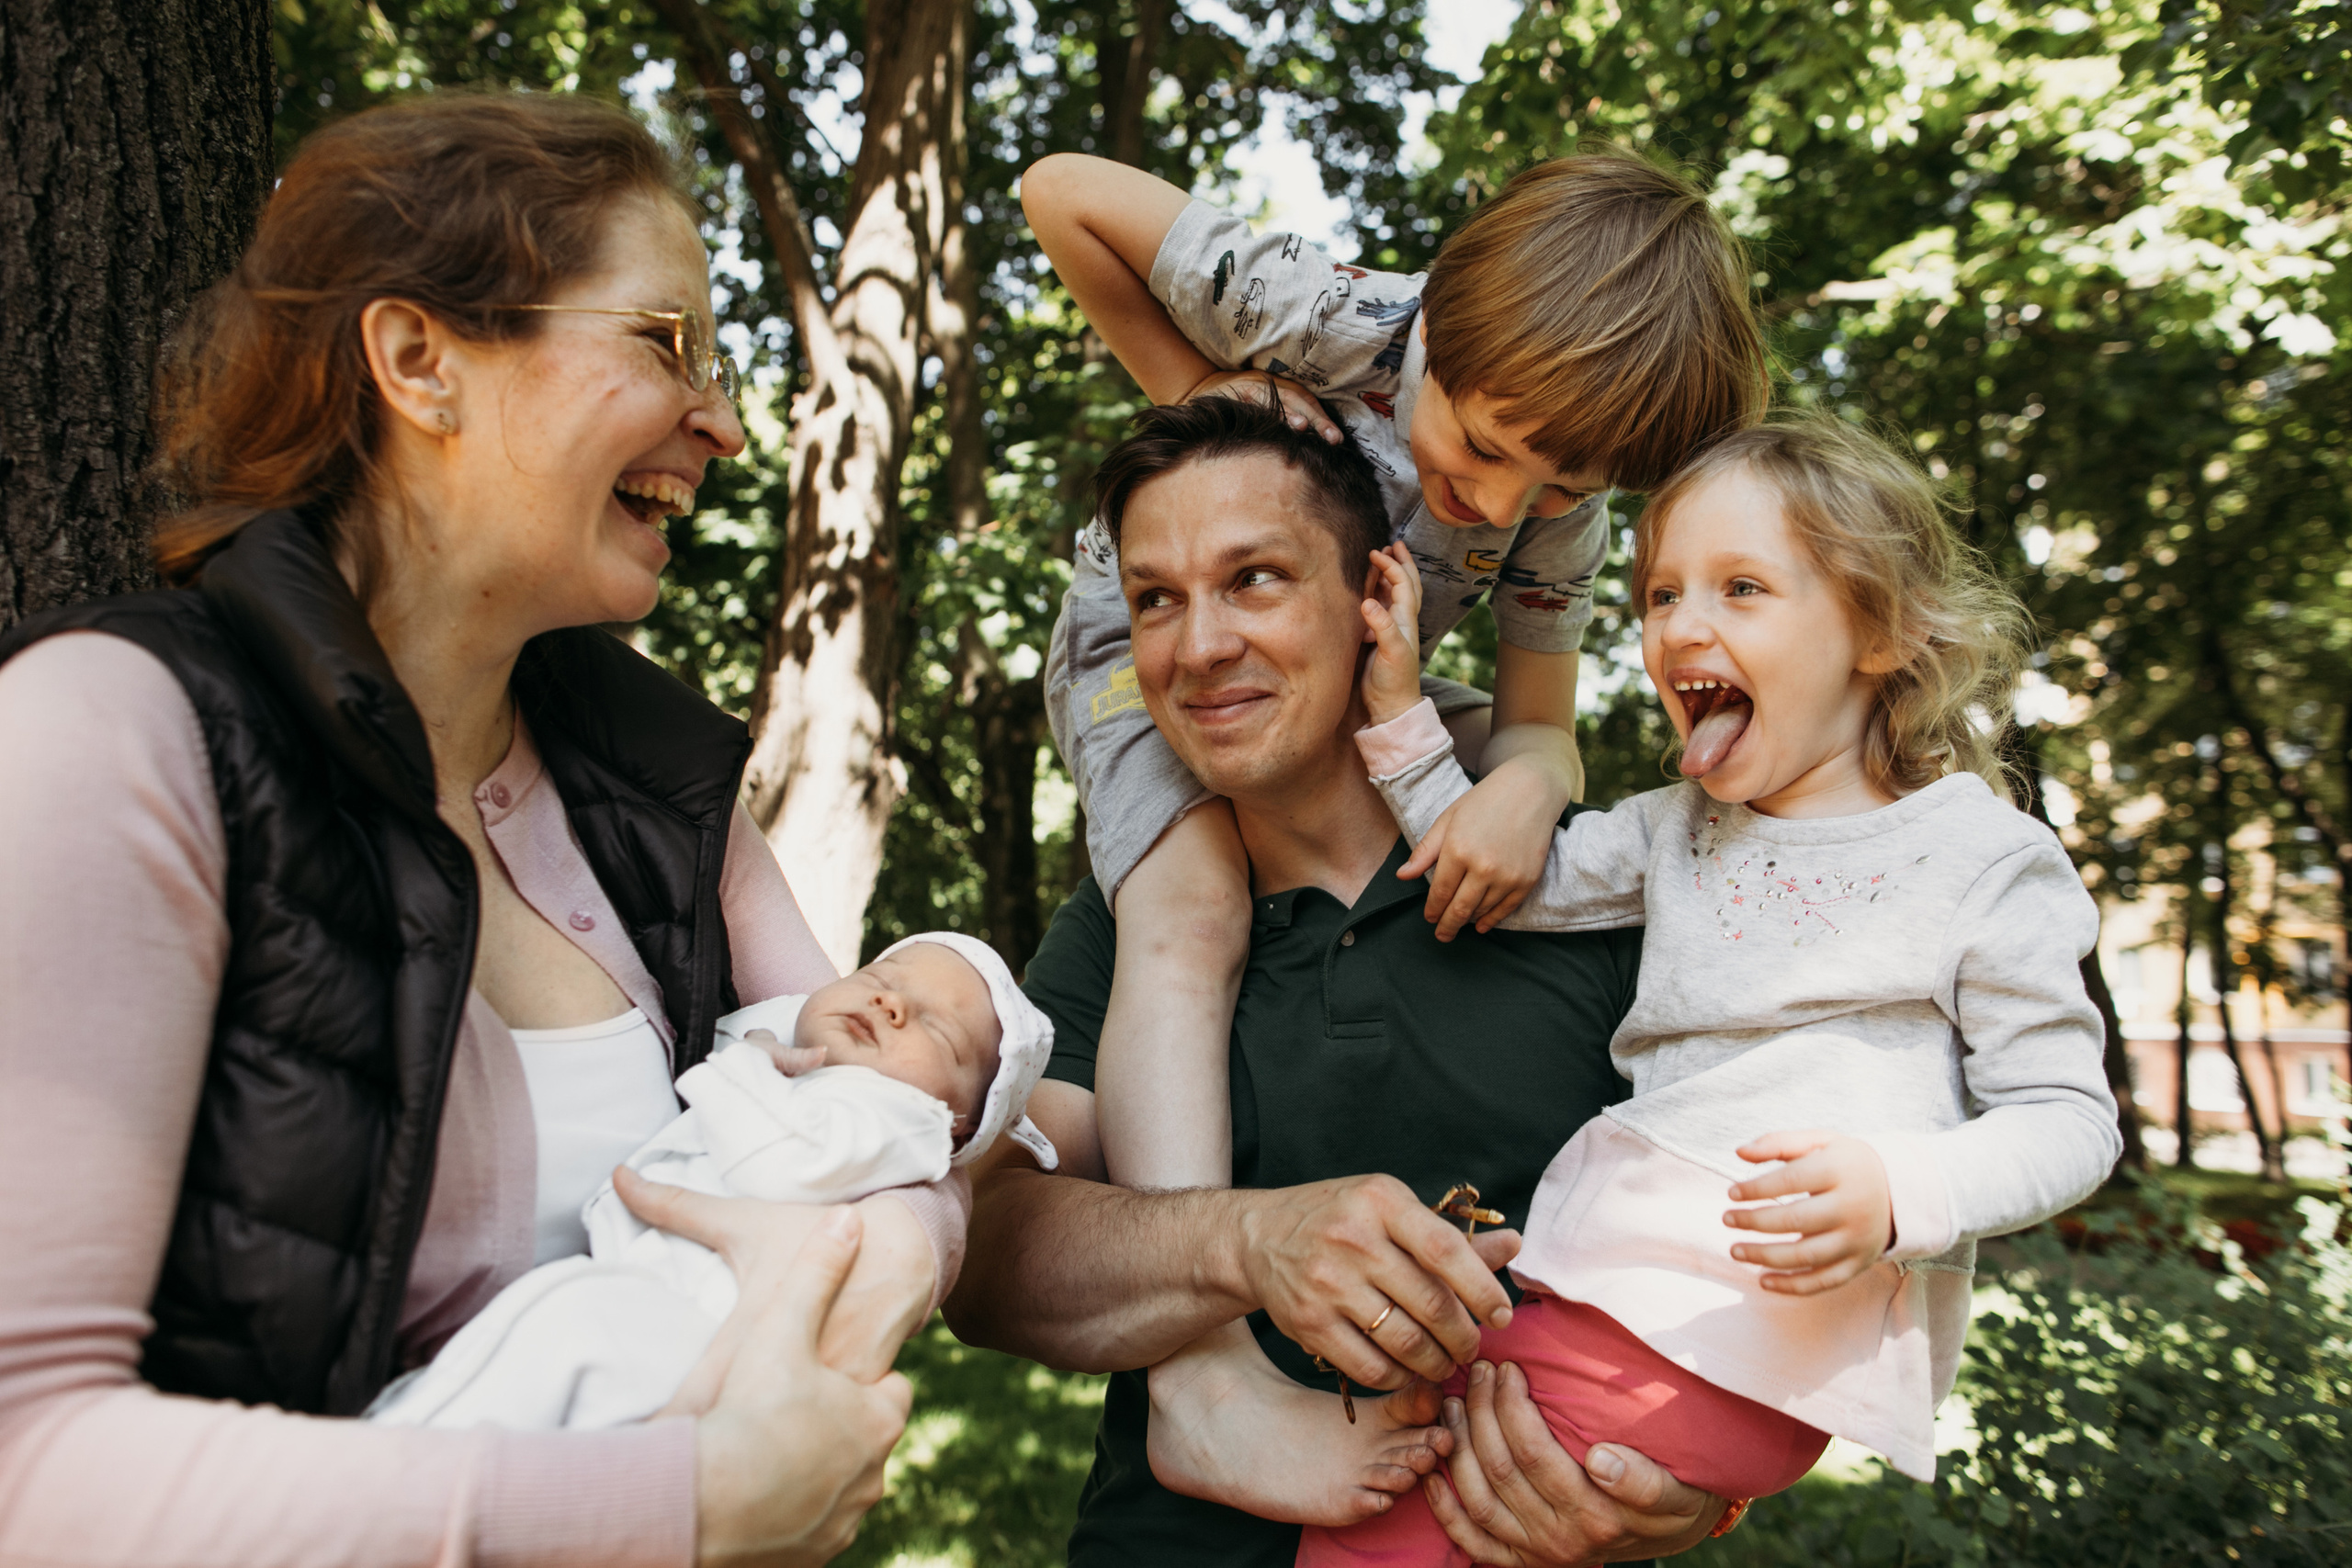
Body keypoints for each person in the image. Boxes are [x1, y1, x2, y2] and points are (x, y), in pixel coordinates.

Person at [0, 94, 949, 1567]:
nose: (724, 423)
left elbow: (900, 1115)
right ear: (419, 361)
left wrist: (865, 1267)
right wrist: (683, 1501)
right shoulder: (113, 734)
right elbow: (28, 1469)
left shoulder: (656, 785)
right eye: (668, 343)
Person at [1301, 417, 2123, 1563]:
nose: (1681, 625)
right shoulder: (1677, 828)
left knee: (1381, 1525)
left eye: (1742, 588)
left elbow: (2071, 1119)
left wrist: (1901, 1190)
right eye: (1660, 595)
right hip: (1608, 1300)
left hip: (1725, 1340)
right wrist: (1396, 705)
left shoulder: (1982, 859)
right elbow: (1490, 873)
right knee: (1368, 1466)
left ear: (1881, 628)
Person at [944, 396, 1734, 1567]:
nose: (1196, 648)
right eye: (1154, 598)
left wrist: (1694, 1482)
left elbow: (1766, 1219)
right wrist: (1249, 1243)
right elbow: (989, 1257)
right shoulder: (1132, 919)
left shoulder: (1594, 887)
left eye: (1253, 579)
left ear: (1377, 597)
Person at [1020, 147, 1768, 1213]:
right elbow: (1060, 194)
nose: (1502, 508)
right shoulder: (1328, 313)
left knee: (1499, 765)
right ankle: (1194, 1267)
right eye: (1484, 447)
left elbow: (1538, 725)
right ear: (1438, 330)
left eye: (1557, 486)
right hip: (1139, 638)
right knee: (1189, 904)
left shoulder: (1564, 522)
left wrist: (1525, 792)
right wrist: (1195, 387)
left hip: (1355, 656)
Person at [371, 933, 1058, 1432]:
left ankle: (397, 1466)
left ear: (961, 1125)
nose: (891, 1002)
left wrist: (749, 1067)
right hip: (639, 1297)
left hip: (698, 1333)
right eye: (881, 973)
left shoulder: (901, 1121)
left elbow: (777, 1158)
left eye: (939, 1030)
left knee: (557, 1337)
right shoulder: (815, 1064)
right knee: (522, 1362)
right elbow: (749, 1025)